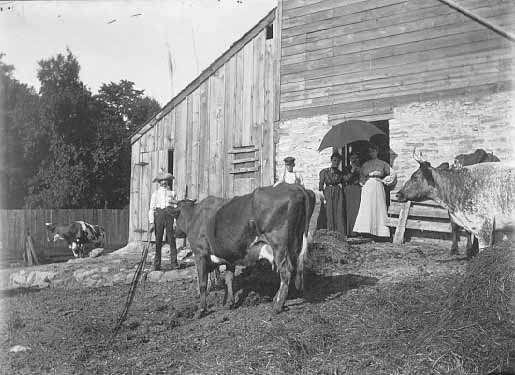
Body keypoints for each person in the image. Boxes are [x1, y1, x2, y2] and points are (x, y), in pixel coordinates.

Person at [353, 143, 396, 239]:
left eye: (374, 151)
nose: (372, 153)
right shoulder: (366, 164)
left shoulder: (382, 163)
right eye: (370, 152)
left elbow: (392, 174)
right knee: (367, 207)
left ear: (377, 152)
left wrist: (386, 180)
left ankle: (381, 232)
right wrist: (363, 184)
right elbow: (361, 176)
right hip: (368, 186)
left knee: (379, 206)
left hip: (378, 184)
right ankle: (365, 230)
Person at [148, 172, 179, 271]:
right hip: (159, 216)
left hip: (169, 215)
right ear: (159, 183)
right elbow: (151, 209)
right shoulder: (155, 194)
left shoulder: (172, 193)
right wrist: (152, 222)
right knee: (158, 240)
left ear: (168, 182)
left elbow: (175, 208)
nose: (164, 183)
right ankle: (157, 264)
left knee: (171, 240)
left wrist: (175, 221)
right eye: (161, 181)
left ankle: (174, 263)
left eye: (165, 181)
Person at [318, 152, 346, 236]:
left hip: (337, 191)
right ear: (331, 160)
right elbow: (321, 185)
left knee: (338, 210)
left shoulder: (340, 173)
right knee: (329, 210)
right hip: (328, 191)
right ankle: (330, 230)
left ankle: (338, 232)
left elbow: (344, 182)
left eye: (338, 161)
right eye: (334, 160)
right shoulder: (325, 172)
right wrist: (322, 196)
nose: (336, 162)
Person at [342, 152, 361, 236]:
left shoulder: (360, 168)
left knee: (357, 210)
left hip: (357, 190)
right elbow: (346, 179)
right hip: (349, 189)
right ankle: (349, 232)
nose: (354, 160)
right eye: (352, 158)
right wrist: (352, 170)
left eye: (356, 158)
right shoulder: (346, 168)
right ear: (349, 159)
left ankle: (358, 232)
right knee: (349, 210)